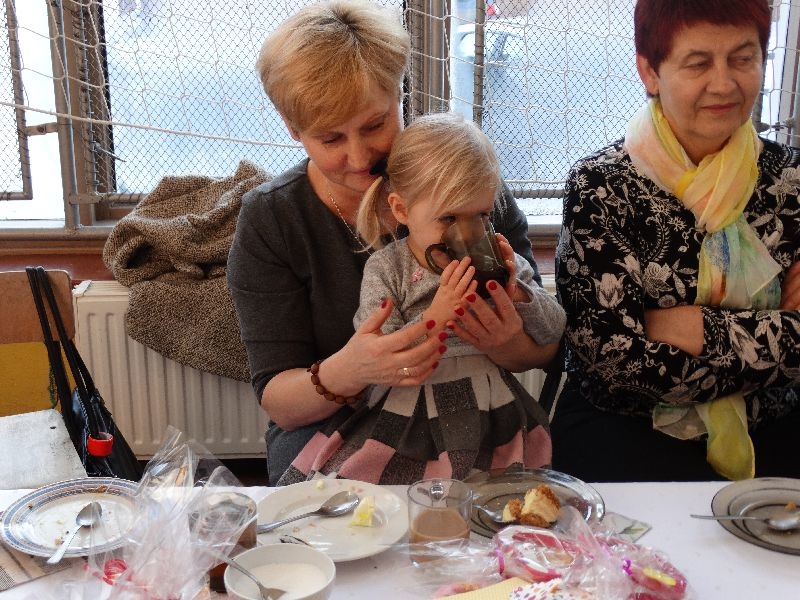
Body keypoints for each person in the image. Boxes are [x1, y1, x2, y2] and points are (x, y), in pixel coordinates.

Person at [227, 0, 559, 485]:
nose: (360, 156)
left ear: (399, 95)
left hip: (469, 411)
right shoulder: (273, 219)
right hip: (330, 423)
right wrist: (352, 369)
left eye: (375, 124)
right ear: (293, 130)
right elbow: (280, 401)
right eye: (331, 139)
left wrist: (509, 343)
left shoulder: (464, 187)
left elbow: (546, 347)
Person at [552, 0, 800, 482]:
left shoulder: (790, 180)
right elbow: (617, 362)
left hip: (775, 427)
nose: (724, 84)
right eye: (698, 63)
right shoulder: (601, 186)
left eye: (743, 58)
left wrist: (697, 329)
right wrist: (777, 336)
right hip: (626, 430)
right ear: (650, 71)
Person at [274, 113, 565, 484]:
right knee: (370, 493)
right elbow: (379, 348)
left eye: (481, 215)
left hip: (489, 411)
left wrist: (520, 293)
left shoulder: (500, 261)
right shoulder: (388, 268)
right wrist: (436, 318)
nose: (469, 233)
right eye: (449, 219)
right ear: (402, 210)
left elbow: (554, 328)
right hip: (408, 414)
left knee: (498, 496)